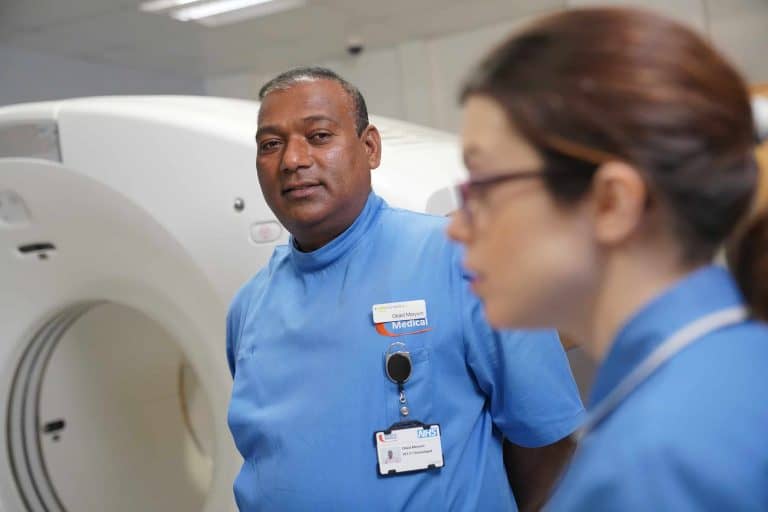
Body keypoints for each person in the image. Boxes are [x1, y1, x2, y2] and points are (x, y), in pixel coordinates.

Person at [447, 7, 768, 511]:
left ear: (612, 203)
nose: (456, 226)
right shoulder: (732, 370)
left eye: (484, 186)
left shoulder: (653, 465)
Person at [226, 67, 584, 511]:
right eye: (270, 144)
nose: (292, 160)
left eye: (318, 136)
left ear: (370, 147)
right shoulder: (248, 308)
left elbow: (549, 438)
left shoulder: (463, 261)